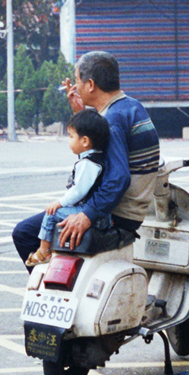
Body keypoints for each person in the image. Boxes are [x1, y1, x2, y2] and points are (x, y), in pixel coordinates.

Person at [11, 51, 159, 266]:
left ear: (90, 85)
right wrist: (81, 115)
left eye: (77, 80)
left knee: (24, 233)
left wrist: (88, 215)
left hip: (118, 213)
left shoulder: (112, 120)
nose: (75, 86)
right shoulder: (131, 106)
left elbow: (118, 178)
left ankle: (53, 284)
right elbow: (97, 161)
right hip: (132, 209)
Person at [26, 108, 112, 266]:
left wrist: (59, 202)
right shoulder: (97, 158)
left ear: (85, 141)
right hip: (97, 212)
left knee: (52, 213)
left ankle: (44, 251)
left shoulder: (88, 164)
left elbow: (78, 191)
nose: (68, 141)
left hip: (91, 214)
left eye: (71, 136)